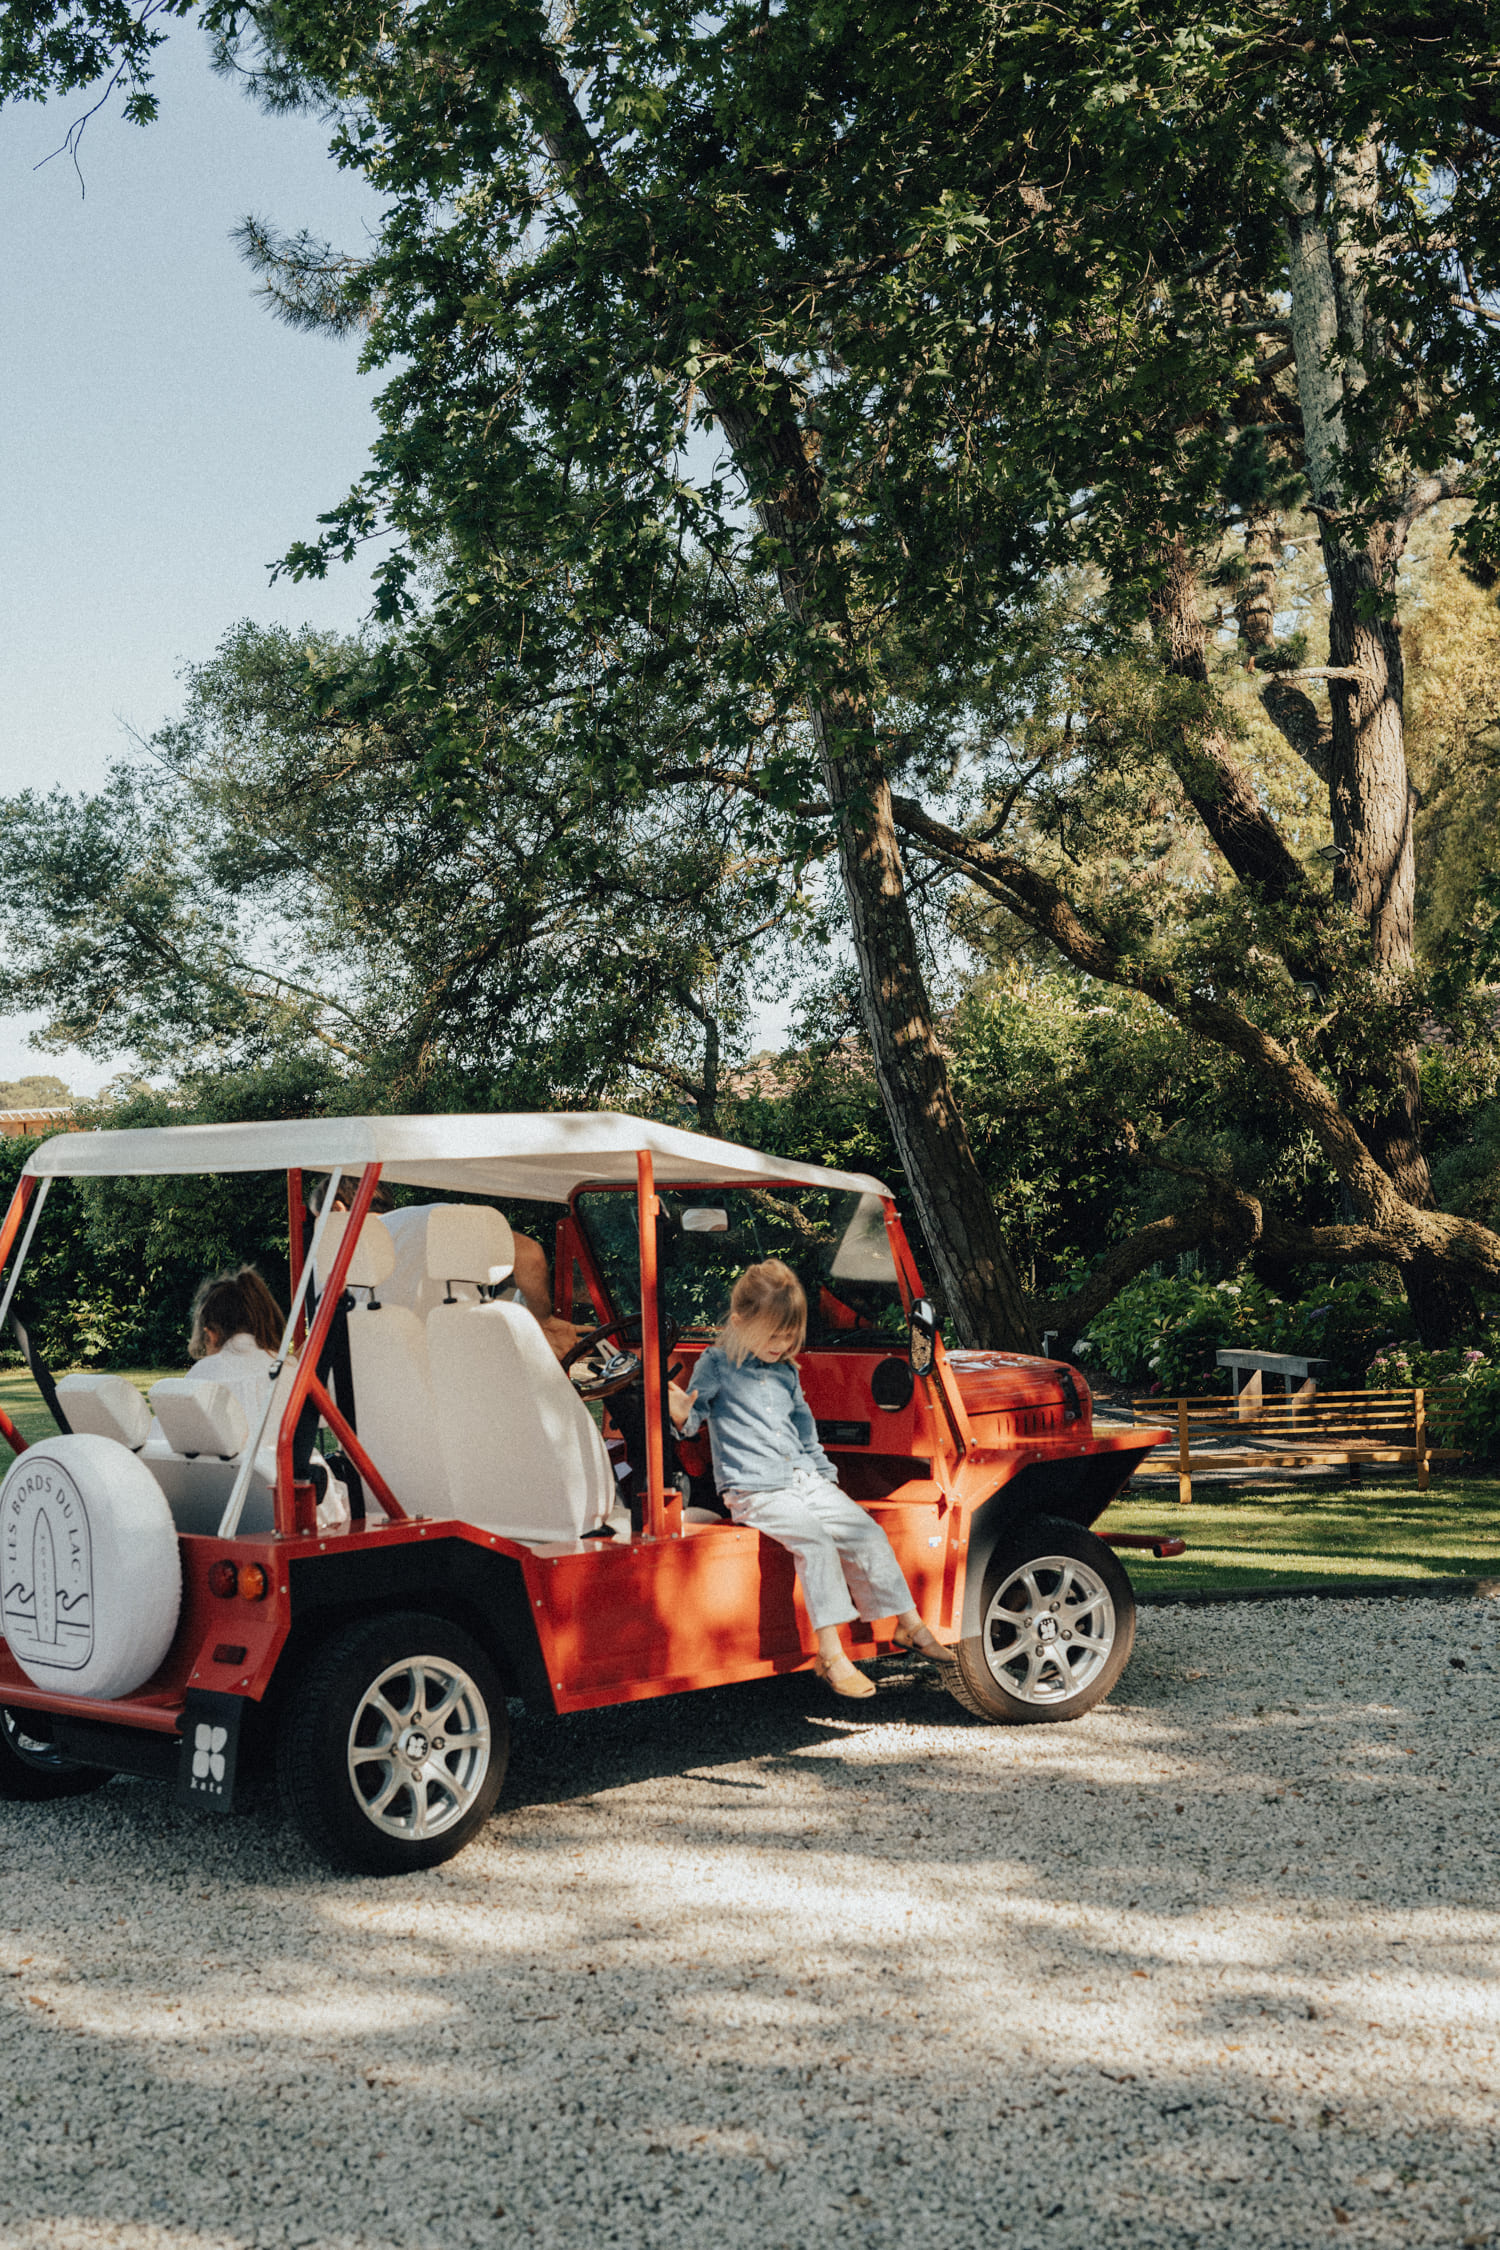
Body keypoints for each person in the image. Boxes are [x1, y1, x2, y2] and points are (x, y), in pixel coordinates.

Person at [668, 1259, 957, 1700]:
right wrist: (678, 1411)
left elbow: (805, 1433)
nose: (782, 1343)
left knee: (864, 1532)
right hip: (753, 1488)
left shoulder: (785, 1370)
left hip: (801, 1478)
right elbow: (692, 1422)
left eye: (789, 1335)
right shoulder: (717, 1363)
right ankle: (831, 1653)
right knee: (816, 1544)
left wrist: (825, 1481)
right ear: (742, 1319)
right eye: (774, 1334)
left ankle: (908, 1623)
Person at [309, 1179, 581, 1363]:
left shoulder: (333, 1273)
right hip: (468, 1391)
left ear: (337, 1208)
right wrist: (541, 1320)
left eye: (318, 1221)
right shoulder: (435, 1220)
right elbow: (530, 1255)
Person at [185, 1265, 286, 1428]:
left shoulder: (202, 1374)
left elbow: (163, 1437)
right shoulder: (291, 1371)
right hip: (288, 1454)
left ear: (211, 1334)